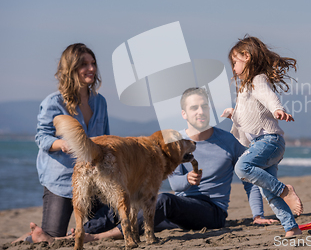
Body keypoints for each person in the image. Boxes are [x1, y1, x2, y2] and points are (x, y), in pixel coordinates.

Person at [20, 87, 275, 244]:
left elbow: (249, 174)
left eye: (204, 106)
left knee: (162, 201)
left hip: (211, 211)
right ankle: (65, 237)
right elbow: (170, 181)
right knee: (122, 204)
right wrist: (186, 181)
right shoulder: (175, 142)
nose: (200, 111)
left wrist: (258, 213)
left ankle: (94, 238)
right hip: (178, 211)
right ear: (184, 114)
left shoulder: (228, 141)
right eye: (194, 107)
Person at [17, 43, 110, 243]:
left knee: (109, 224)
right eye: (84, 64)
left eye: (93, 63)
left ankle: (73, 234)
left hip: (93, 180)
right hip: (61, 180)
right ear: (71, 68)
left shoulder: (100, 102)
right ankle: (29, 239)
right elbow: (42, 137)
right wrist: (62, 144)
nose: (92, 69)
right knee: (50, 237)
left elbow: (106, 138)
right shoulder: (54, 102)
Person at [220, 35, 303, 238]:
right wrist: (233, 113)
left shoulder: (258, 80)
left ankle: (285, 190)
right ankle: (291, 227)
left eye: (235, 62)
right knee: (268, 191)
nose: (233, 68)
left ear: (246, 56)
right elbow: (249, 113)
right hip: (264, 143)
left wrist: (277, 109)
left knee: (242, 167)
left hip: (269, 141)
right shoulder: (245, 87)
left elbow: (268, 96)